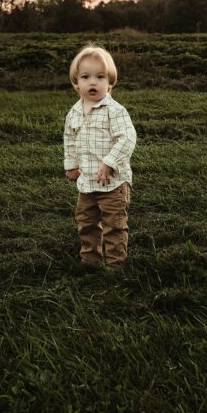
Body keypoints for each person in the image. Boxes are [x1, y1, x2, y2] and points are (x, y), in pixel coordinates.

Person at [63, 44, 137, 273]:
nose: (93, 82)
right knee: (86, 223)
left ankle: (115, 265)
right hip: (86, 184)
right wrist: (72, 166)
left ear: (110, 82)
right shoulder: (74, 112)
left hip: (113, 184)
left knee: (113, 225)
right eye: (86, 77)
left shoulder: (114, 111)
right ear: (76, 83)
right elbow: (69, 140)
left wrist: (109, 162)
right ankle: (90, 260)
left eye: (100, 77)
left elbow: (127, 138)